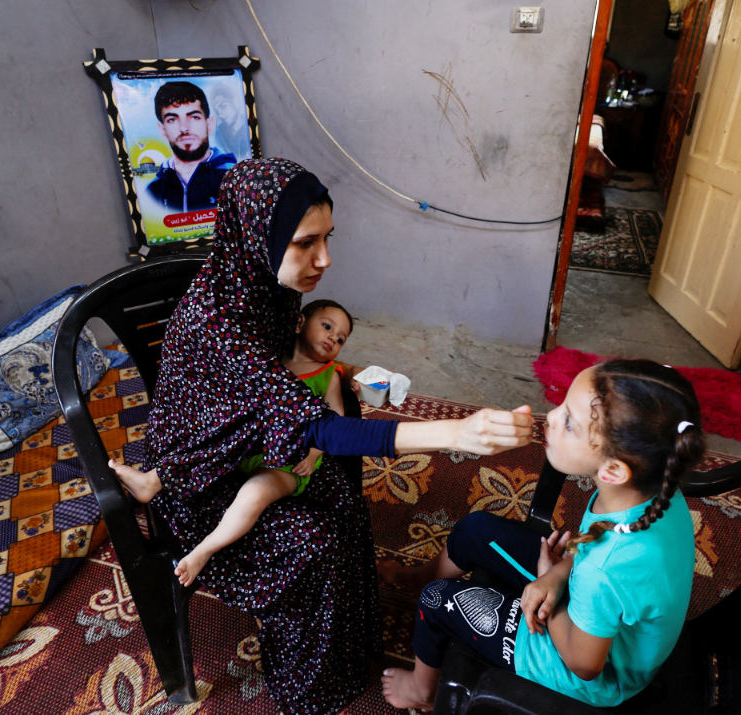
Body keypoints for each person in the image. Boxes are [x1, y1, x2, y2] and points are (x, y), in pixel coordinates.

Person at [129, 157, 533, 715]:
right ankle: (308, 687)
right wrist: (455, 430)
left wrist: (330, 380)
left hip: (249, 440)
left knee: (342, 493)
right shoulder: (216, 321)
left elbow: (283, 386)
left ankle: (346, 643)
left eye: (327, 239)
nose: (324, 260)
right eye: (305, 243)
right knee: (311, 542)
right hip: (200, 484)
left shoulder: (265, 284)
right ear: (257, 233)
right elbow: (311, 423)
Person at [380, 359, 705, 710]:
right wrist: (560, 573)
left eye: (569, 422)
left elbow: (584, 664)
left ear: (612, 470)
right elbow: (604, 561)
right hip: (586, 600)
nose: (550, 416)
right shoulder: (653, 492)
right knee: (475, 530)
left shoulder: (605, 570)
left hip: (580, 664)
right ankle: (420, 575)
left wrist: (546, 583)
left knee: (437, 600)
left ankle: (421, 690)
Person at [111, 298, 355, 587]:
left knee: (256, 494)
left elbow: (336, 420)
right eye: (327, 327)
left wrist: (314, 453)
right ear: (300, 323)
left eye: (340, 338)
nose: (332, 338)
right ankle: (154, 480)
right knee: (207, 436)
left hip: (287, 462)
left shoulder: (329, 376)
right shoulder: (270, 357)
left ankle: (205, 550)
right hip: (245, 445)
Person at [146, 80, 238, 213]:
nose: (184, 128)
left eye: (194, 117)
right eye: (172, 119)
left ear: (210, 124)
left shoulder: (234, 179)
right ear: (162, 129)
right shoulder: (153, 191)